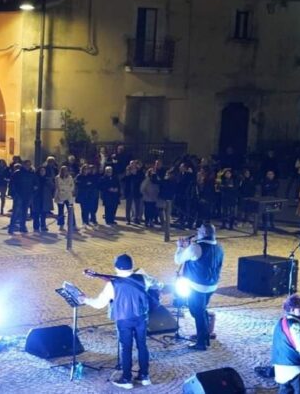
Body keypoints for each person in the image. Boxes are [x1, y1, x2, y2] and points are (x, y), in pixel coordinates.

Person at [81, 254, 160, 389]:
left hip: (123, 319)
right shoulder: (142, 278)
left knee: (126, 348)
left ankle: (127, 378)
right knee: (142, 345)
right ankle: (144, 376)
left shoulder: (112, 284)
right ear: (132, 266)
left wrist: (84, 299)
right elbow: (156, 283)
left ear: (116, 267)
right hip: (141, 317)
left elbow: (99, 303)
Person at [174, 223, 224, 350]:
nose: (197, 230)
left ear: (205, 233)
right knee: (201, 310)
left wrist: (180, 247)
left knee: (196, 311)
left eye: (200, 229)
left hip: (197, 285)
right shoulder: (219, 247)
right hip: (212, 285)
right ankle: (205, 335)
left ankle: (201, 342)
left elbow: (178, 260)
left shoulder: (196, 247)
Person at [31, 166, 54, 232]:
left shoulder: (47, 179)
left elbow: (52, 186)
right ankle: (36, 226)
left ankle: (43, 226)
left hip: (45, 198)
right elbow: (32, 187)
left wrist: (48, 182)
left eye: (44, 171)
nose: (42, 172)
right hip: (37, 197)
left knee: (43, 213)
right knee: (36, 213)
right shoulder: (35, 178)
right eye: (41, 171)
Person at [54, 166, 76, 231]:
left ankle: (72, 225)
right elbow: (59, 187)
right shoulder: (57, 178)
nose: (65, 172)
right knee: (61, 211)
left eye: (66, 170)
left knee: (71, 211)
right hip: (60, 196)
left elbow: (72, 186)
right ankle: (61, 225)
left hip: (68, 196)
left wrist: (66, 188)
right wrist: (67, 188)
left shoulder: (70, 177)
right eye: (64, 170)